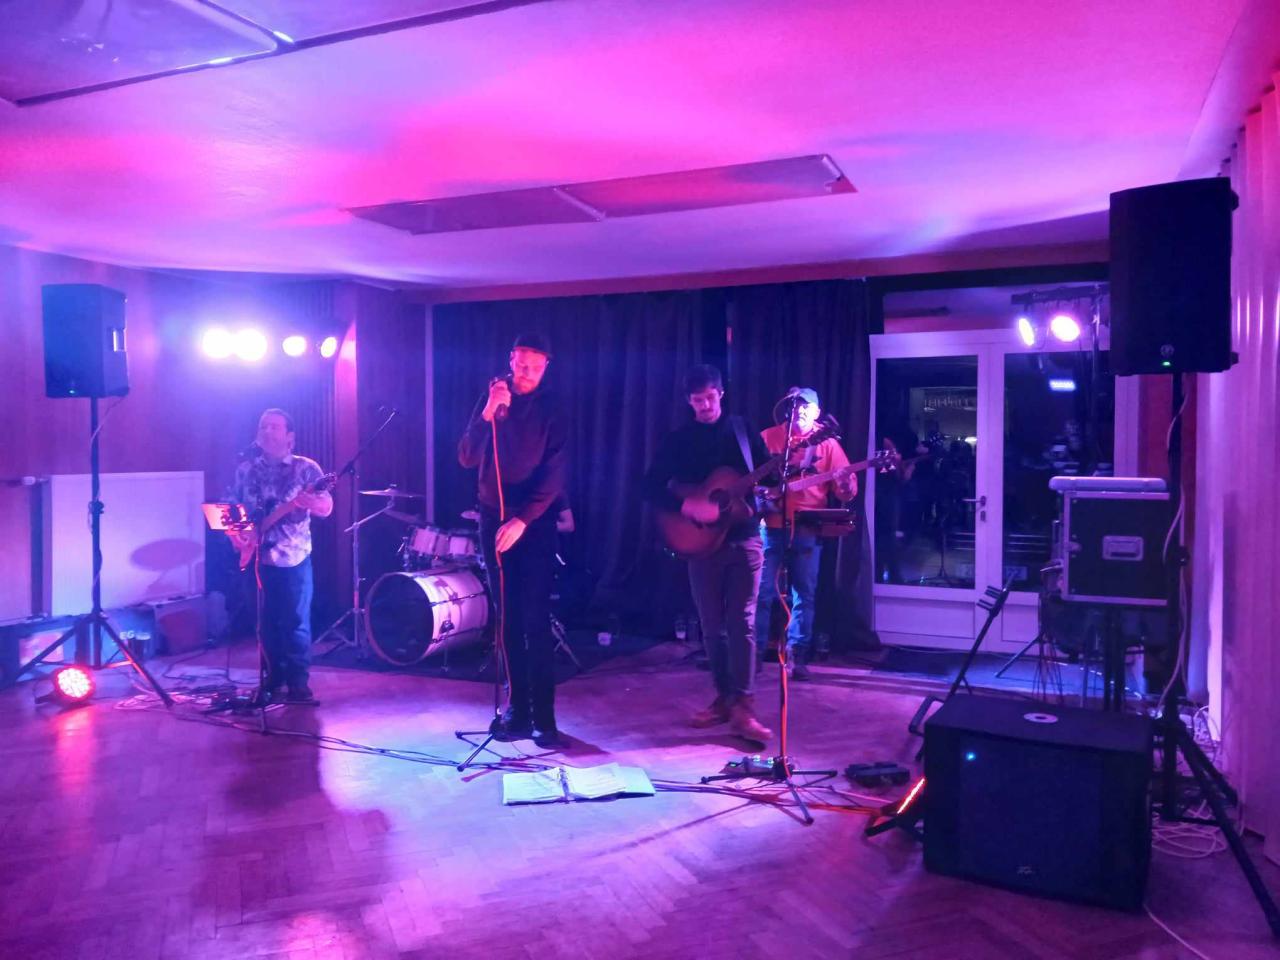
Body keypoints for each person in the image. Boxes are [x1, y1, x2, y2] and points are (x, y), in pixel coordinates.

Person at [643, 364, 772, 744]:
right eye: (698, 400)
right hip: (699, 543)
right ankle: (724, 698)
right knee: (712, 626)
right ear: (689, 401)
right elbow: (649, 486)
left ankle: (745, 705)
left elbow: (770, 479)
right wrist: (688, 506)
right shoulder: (679, 440)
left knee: (742, 622)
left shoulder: (744, 432)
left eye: (710, 397)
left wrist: (777, 480)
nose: (705, 405)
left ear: (721, 393)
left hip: (745, 539)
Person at [458, 332, 568, 748]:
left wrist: (524, 519)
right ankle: (517, 710)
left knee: (535, 618)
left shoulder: (553, 407)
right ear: (510, 360)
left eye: (535, 368)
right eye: (521, 365)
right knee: (507, 619)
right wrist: (487, 413)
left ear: (545, 368)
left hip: (534, 522)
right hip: (493, 517)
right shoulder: (493, 398)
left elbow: (555, 474)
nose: (526, 374)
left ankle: (545, 718)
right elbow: (466, 457)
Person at [231, 408, 333, 703]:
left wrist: (310, 502)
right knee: (264, 624)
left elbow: (326, 508)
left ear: (290, 437)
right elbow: (233, 508)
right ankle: (272, 679)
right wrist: (236, 537)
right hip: (256, 559)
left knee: (295, 623)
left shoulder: (306, 469)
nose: (267, 431)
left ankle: (299, 684)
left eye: (274, 427)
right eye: (263, 426)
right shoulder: (246, 470)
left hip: (293, 558)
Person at [755, 387, 856, 679]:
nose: (799, 410)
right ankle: (754, 656)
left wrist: (845, 484)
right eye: (795, 405)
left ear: (816, 412)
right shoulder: (768, 437)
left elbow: (846, 491)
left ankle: (797, 658)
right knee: (761, 593)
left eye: (805, 406)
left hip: (806, 527)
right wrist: (760, 494)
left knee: (804, 594)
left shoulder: (828, 445)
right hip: (770, 526)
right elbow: (749, 475)